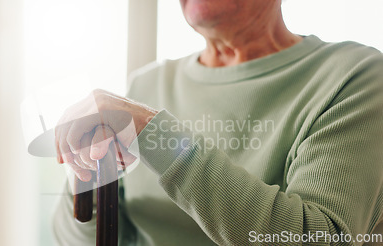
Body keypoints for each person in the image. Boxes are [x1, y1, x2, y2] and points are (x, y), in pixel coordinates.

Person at [52, 0, 383, 245]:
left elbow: (320, 238)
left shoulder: (355, 76)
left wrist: (155, 133)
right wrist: (85, 175)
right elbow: (83, 238)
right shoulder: (145, 85)